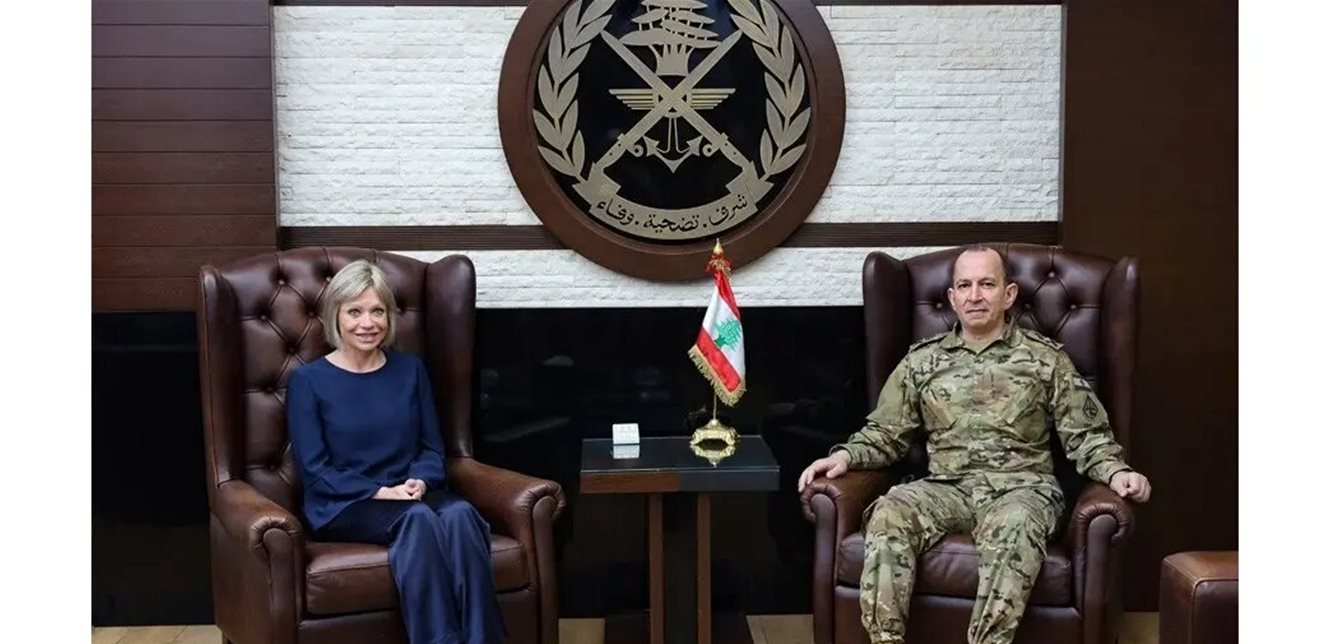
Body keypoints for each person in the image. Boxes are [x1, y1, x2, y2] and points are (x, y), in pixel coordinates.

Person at [796, 246, 1152, 644]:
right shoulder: (922, 362)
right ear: (952, 298)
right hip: (947, 488)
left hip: (1022, 489)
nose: (975, 295)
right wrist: (845, 456)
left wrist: (1116, 472)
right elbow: (886, 433)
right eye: (964, 286)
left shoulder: (1045, 359)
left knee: (1015, 525)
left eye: (987, 284)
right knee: (890, 511)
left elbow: (1086, 435)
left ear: (1009, 294)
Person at [286, 259, 504, 644]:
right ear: (335, 316)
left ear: (389, 316)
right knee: (417, 520)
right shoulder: (308, 380)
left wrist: (420, 480)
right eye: (354, 312)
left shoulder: (410, 370)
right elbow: (315, 469)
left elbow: (431, 447)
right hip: (346, 502)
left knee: (461, 514)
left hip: (410, 492)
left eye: (377, 311)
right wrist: (381, 492)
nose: (367, 323)